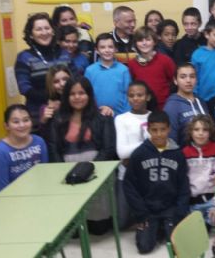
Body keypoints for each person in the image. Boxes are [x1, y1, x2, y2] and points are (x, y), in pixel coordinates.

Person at [48, 77, 117, 234]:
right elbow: (53, 149)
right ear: (66, 97)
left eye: (81, 93)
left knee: (99, 229)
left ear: (89, 95)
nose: (77, 97)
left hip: (95, 171)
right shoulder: (57, 118)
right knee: (73, 233)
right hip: (67, 174)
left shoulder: (103, 117)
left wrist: (90, 170)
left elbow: (108, 149)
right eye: (72, 94)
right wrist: (65, 173)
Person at [123, 111, 189, 254]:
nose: (159, 134)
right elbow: (129, 185)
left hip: (170, 208)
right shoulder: (139, 154)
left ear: (169, 129)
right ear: (148, 130)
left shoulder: (177, 154)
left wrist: (180, 211)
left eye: (163, 129)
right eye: (154, 130)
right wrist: (141, 212)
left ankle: (163, 226)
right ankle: (155, 227)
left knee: (178, 244)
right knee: (144, 247)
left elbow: (183, 184)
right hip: (148, 209)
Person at [15, 12, 73, 131]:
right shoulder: (24, 57)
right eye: (39, 29)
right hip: (38, 115)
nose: (44, 32)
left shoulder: (64, 53)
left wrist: (63, 101)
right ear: (31, 34)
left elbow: (75, 80)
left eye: (47, 28)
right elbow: (24, 88)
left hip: (67, 111)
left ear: (53, 31)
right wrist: (50, 100)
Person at [115, 81, 157, 229]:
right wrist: (148, 144)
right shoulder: (121, 119)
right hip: (126, 176)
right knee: (121, 224)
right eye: (131, 95)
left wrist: (133, 156)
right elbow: (121, 152)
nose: (135, 99)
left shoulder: (155, 117)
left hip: (150, 174)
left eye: (140, 95)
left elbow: (159, 148)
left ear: (148, 97)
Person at [0, 104, 49, 194]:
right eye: (16, 122)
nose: (22, 125)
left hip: (36, 193)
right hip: (9, 200)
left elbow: (44, 175)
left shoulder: (39, 142)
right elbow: (2, 192)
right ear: (6, 126)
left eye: (26, 120)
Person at [182, 115, 215, 225]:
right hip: (192, 204)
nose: (200, 133)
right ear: (190, 132)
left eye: (205, 130)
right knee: (196, 235)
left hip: (213, 203)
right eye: (196, 129)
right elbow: (181, 183)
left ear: (210, 132)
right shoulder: (184, 153)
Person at [128, 27, 176, 110]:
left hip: (164, 107)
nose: (144, 43)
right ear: (135, 44)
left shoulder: (165, 60)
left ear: (154, 41)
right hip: (141, 108)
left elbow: (175, 81)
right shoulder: (132, 64)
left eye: (148, 40)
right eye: (140, 40)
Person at [85, 33, 131, 116]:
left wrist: (126, 115)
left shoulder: (123, 70)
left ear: (115, 49)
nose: (107, 50)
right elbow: (87, 95)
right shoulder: (90, 71)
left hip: (121, 116)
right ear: (96, 50)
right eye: (102, 47)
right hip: (97, 116)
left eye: (110, 47)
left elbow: (128, 94)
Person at [163, 63, 209, 146]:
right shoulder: (171, 106)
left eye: (192, 76)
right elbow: (171, 140)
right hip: (184, 155)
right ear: (175, 80)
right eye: (183, 77)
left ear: (196, 79)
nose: (188, 80)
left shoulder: (201, 101)